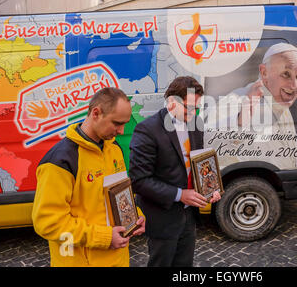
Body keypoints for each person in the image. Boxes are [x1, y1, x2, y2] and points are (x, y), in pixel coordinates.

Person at [32, 87, 145, 267]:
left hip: (117, 259)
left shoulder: (113, 148)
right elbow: (48, 222)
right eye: (117, 123)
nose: (122, 131)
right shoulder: (60, 160)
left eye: (125, 123)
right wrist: (104, 237)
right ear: (96, 113)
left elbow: (119, 193)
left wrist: (134, 216)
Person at [129, 76, 221, 267]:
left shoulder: (196, 124)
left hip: (189, 216)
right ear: (171, 102)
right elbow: (139, 180)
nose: (193, 112)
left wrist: (210, 188)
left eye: (196, 106)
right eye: (188, 106)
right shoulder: (147, 129)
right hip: (162, 216)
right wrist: (180, 195)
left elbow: (198, 164)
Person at [207, 42, 297, 169]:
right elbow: (208, 145)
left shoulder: (281, 105)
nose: (293, 85)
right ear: (264, 72)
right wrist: (240, 123)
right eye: (286, 74)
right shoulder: (237, 100)